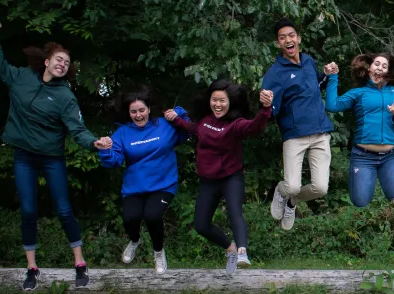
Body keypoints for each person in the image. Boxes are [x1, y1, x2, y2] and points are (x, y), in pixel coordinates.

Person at [0, 18, 110, 290]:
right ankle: (32, 268)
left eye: (66, 63)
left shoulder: (66, 97)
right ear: (46, 61)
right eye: (58, 59)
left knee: (64, 209)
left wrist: (94, 143)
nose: (62, 64)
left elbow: (78, 130)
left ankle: (80, 263)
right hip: (23, 157)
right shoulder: (21, 78)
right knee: (29, 210)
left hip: (51, 158)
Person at [164, 79, 272, 275]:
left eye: (222, 100)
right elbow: (190, 128)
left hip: (231, 177)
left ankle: (242, 252)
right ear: (209, 101)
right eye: (214, 100)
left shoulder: (236, 125)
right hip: (208, 181)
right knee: (201, 225)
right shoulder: (204, 121)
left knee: (234, 211)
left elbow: (256, 127)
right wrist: (174, 119)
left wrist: (265, 108)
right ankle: (230, 249)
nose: (218, 104)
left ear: (230, 102)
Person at [98, 88, 191, 275]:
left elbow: (188, 130)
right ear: (128, 113)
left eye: (141, 110)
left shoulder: (165, 126)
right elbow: (113, 161)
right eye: (133, 112)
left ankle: (158, 251)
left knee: (152, 216)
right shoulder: (122, 133)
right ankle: (135, 241)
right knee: (130, 219)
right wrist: (105, 149)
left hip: (163, 185)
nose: (138, 115)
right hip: (135, 187)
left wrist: (179, 114)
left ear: (148, 109)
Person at [262, 18, 336, 230]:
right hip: (294, 135)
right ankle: (282, 191)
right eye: (282, 37)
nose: (288, 40)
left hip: (320, 132)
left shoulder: (309, 61)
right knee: (292, 186)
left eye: (291, 35)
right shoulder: (275, 73)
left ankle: (292, 203)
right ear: (278, 43)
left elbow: (315, 87)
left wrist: (327, 75)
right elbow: (270, 111)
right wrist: (266, 105)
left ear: (298, 38)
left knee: (320, 188)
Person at [325, 52, 394, 207]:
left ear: (388, 72)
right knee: (360, 201)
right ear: (369, 68)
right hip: (363, 157)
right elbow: (332, 106)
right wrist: (332, 77)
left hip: (391, 156)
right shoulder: (359, 93)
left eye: (384, 66)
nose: (380, 68)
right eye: (377, 64)